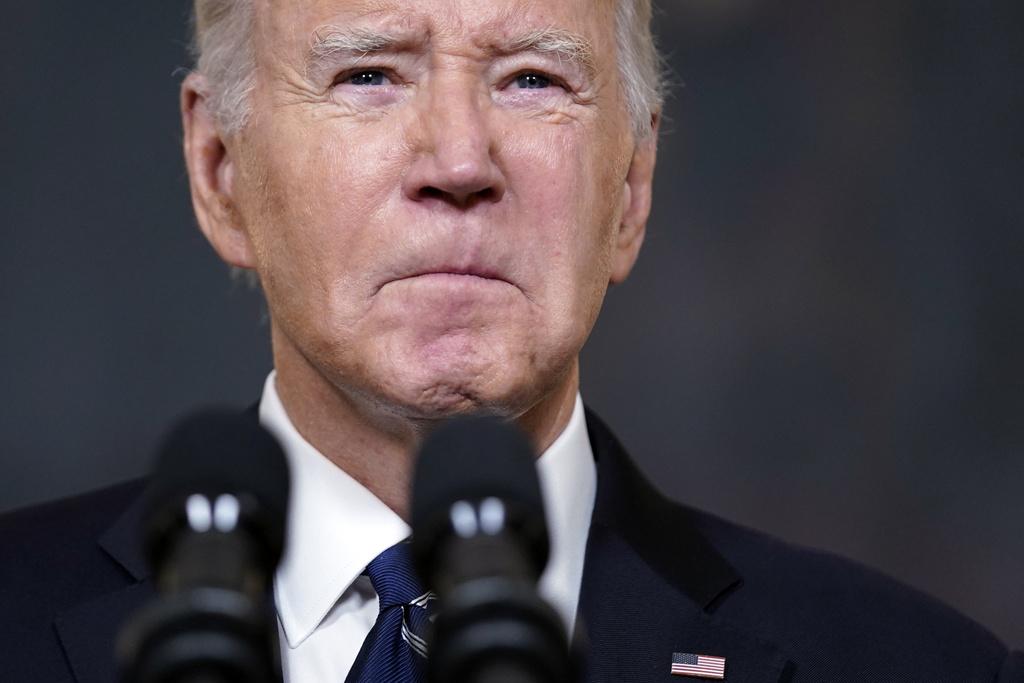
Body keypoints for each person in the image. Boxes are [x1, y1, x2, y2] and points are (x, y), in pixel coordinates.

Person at [0, 0, 1020, 681]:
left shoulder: (921, 666)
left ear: (631, 186)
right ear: (220, 169)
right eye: (369, 74)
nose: (458, 161)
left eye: (532, 80)